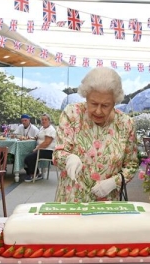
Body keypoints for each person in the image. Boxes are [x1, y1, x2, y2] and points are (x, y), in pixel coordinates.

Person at [54, 67, 138, 202]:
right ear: (85, 96)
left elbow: (131, 165)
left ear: (115, 101)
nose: (98, 111)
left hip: (107, 202)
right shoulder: (72, 114)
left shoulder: (125, 124)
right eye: (93, 103)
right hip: (71, 200)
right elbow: (58, 153)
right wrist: (68, 158)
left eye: (105, 105)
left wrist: (114, 182)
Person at [23, 113, 56, 182]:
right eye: (42, 120)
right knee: (26, 155)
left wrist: (36, 148)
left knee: (29, 158)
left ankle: (34, 174)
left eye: (45, 120)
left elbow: (46, 143)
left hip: (48, 151)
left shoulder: (51, 130)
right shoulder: (42, 128)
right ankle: (36, 173)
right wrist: (29, 138)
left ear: (49, 121)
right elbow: (37, 137)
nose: (43, 121)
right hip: (42, 149)